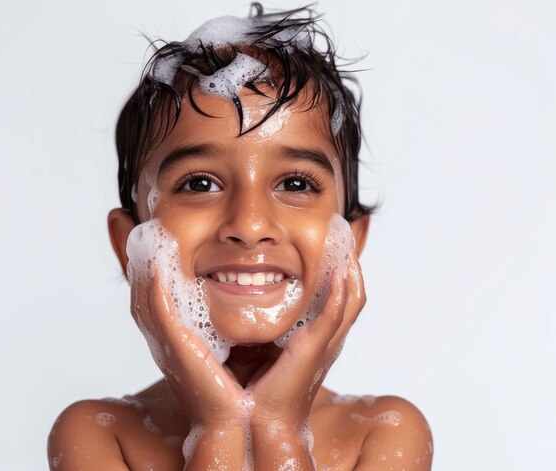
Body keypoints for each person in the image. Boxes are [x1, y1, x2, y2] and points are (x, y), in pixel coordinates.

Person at [48, 4, 433, 470]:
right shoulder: (100, 435)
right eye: (199, 183)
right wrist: (220, 427)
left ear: (349, 242)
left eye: (295, 184)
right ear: (131, 244)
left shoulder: (383, 433)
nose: (249, 226)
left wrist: (278, 425)